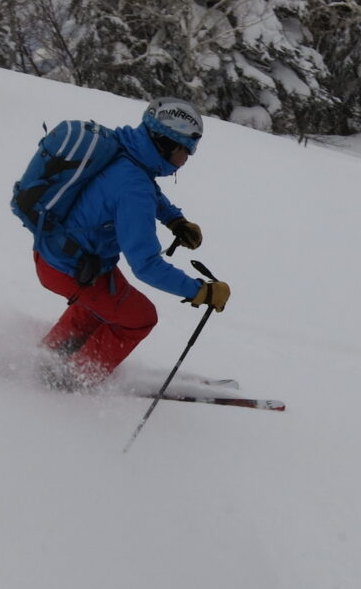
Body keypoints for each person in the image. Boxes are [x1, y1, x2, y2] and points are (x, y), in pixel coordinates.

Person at [30, 97, 231, 386]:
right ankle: (75, 379)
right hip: (72, 267)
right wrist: (201, 292)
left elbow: (144, 188)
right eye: (185, 151)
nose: (185, 160)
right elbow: (146, 265)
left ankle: (50, 356)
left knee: (102, 306)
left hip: (56, 252)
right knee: (139, 316)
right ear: (166, 143)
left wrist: (174, 219)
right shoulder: (134, 188)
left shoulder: (124, 149)